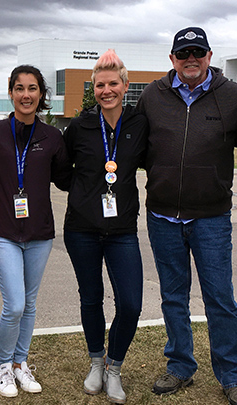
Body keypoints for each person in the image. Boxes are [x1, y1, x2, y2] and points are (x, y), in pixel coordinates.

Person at [135, 27, 237, 405]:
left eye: (197, 52)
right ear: (172, 58)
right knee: (173, 296)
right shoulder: (153, 96)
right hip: (163, 216)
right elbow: (130, 144)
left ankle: (232, 375)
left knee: (220, 298)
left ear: (209, 55)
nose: (191, 58)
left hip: (212, 218)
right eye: (183, 52)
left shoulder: (233, 97)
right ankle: (180, 366)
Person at [0, 65, 71, 398]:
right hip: (2, 231)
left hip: (40, 233)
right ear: (11, 93)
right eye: (19, 88)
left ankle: (20, 364)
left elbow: (66, 179)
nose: (26, 95)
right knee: (14, 304)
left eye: (32, 88)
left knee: (29, 304)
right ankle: (3, 365)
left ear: (41, 94)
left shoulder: (52, 137)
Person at [62, 49, 147, 404]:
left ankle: (115, 367)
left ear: (125, 86)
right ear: (93, 88)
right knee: (91, 298)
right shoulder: (79, 126)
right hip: (81, 228)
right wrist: (86, 191)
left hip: (122, 229)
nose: (107, 89)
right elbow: (60, 172)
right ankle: (96, 362)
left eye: (113, 83)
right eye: (100, 84)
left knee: (130, 304)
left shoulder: (140, 123)